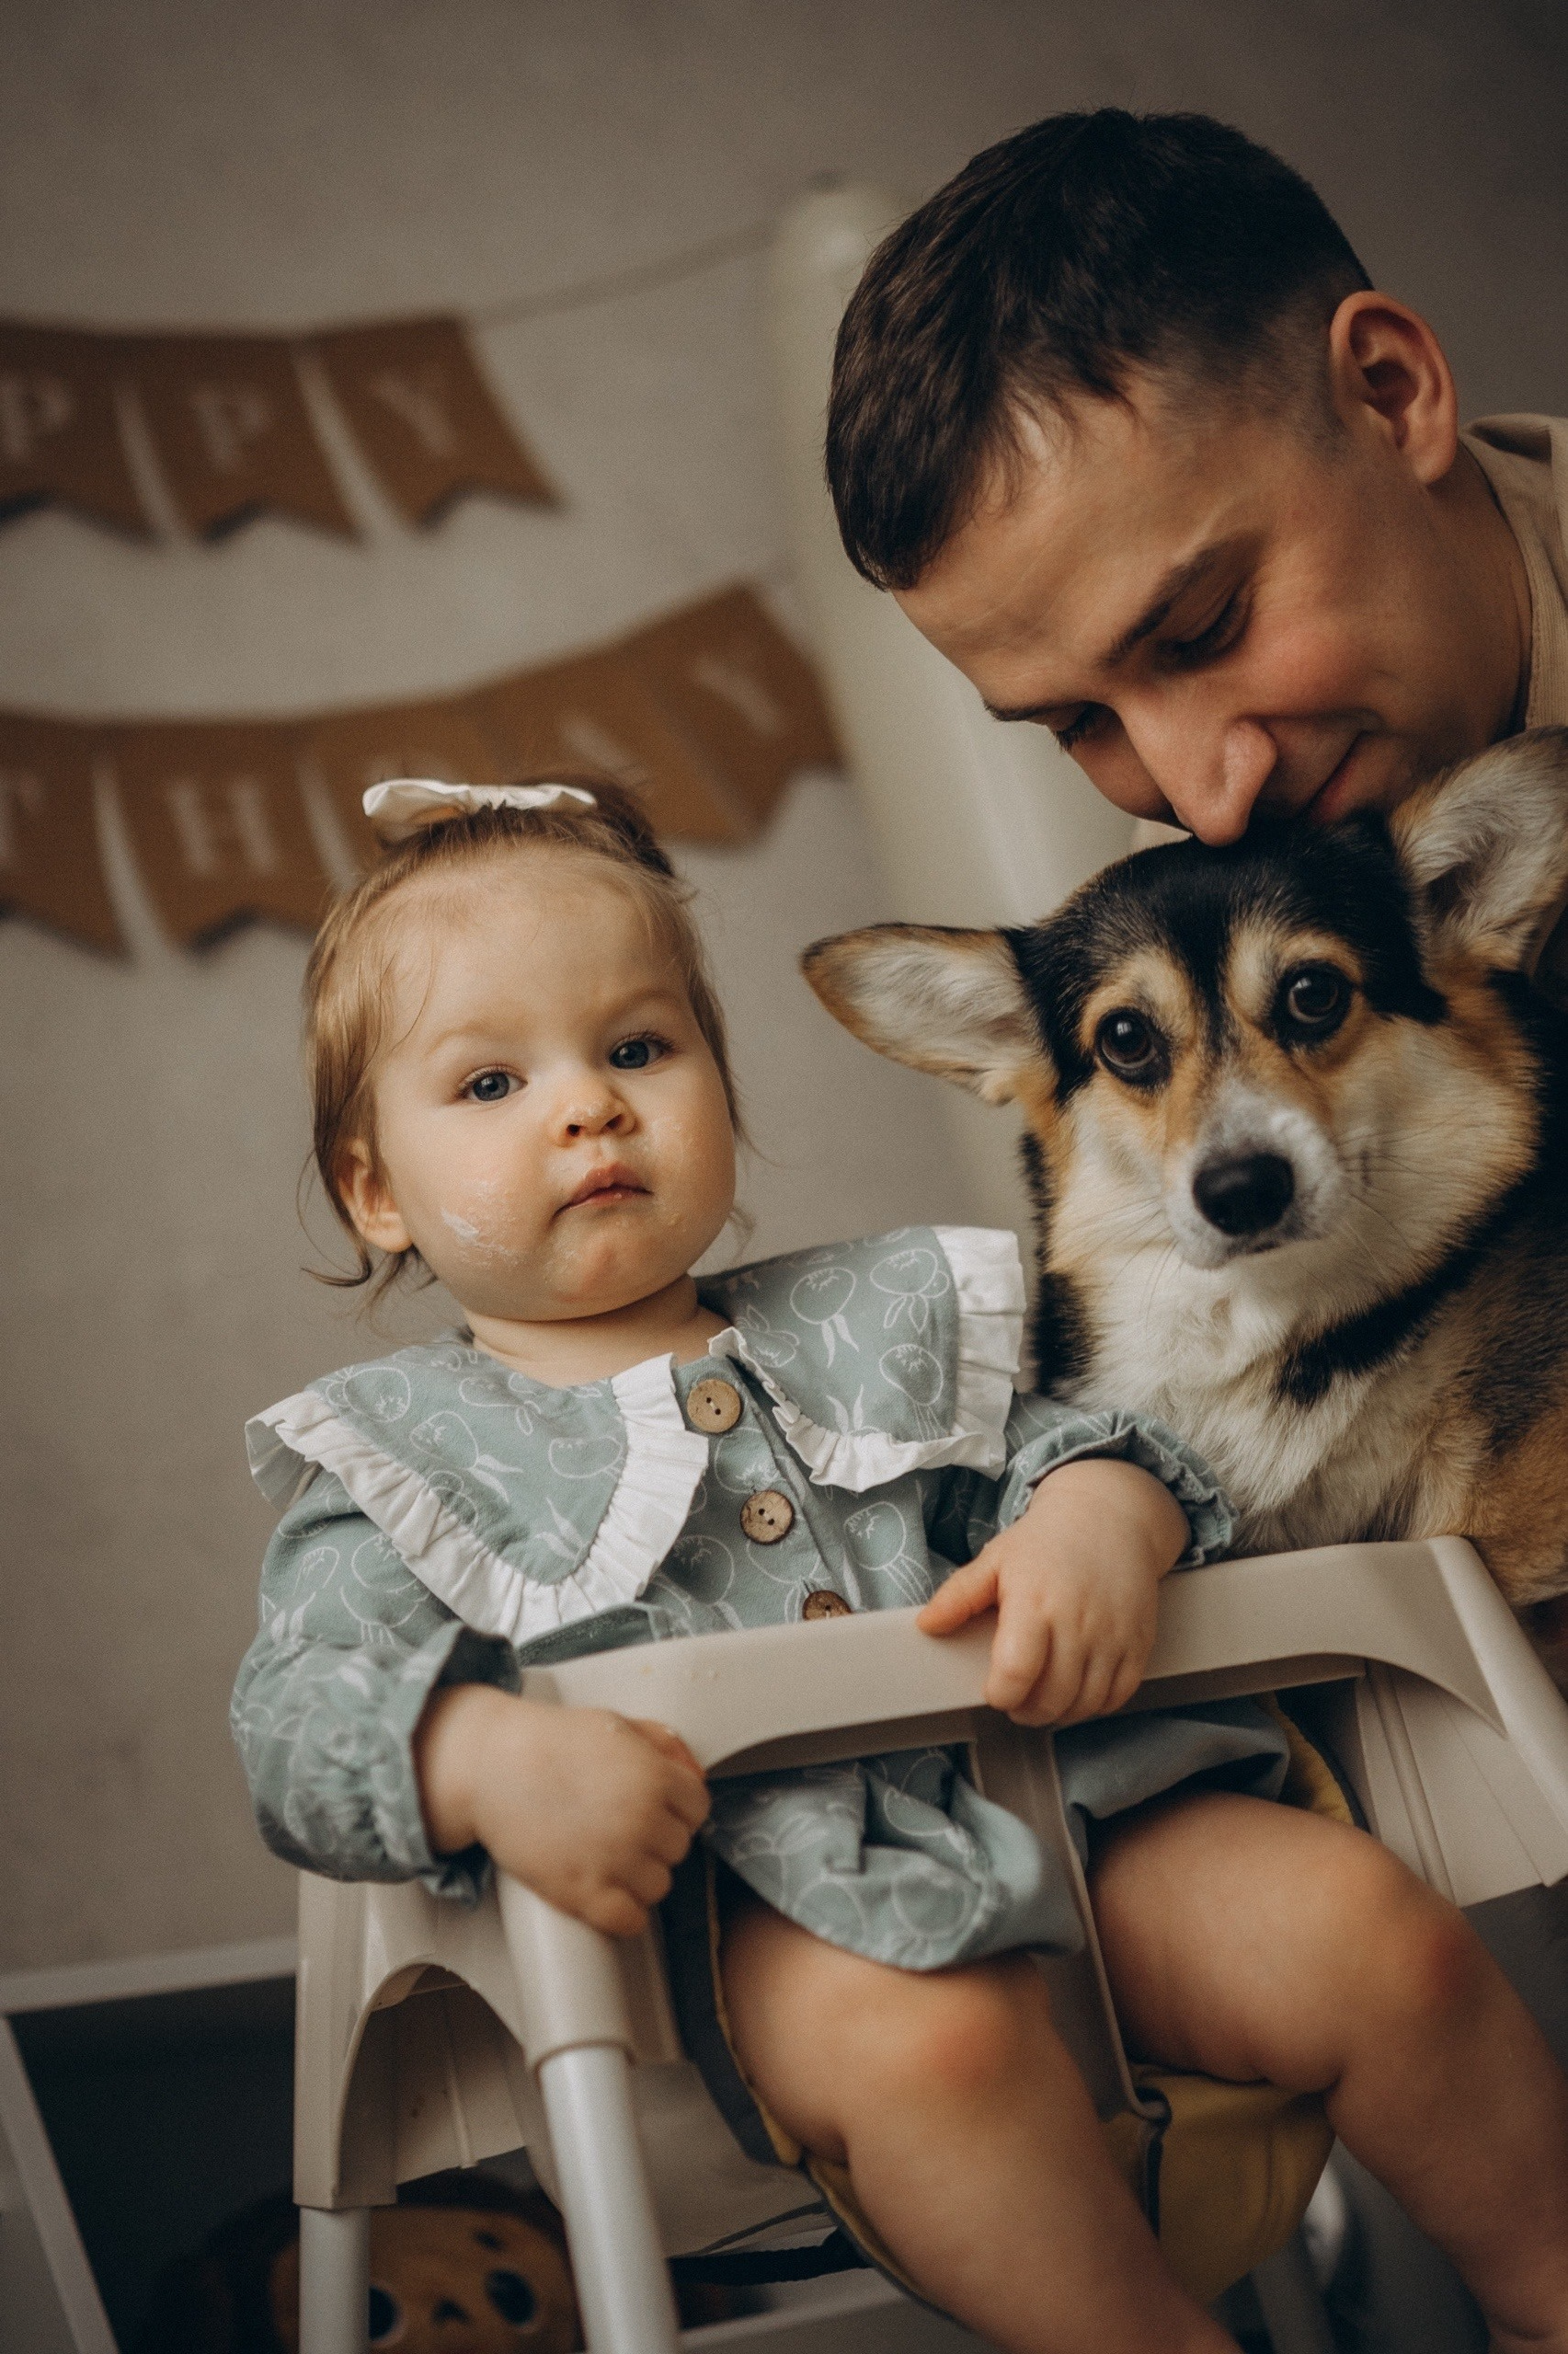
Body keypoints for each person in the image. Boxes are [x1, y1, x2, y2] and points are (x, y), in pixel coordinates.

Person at [233, 775, 1568, 2354]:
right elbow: (297, 1712)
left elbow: (1094, 1440)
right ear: (375, 1185)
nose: (586, 1104)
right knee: (940, 2050)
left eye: (640, 1049)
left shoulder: (896, 1313)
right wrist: (471, 1749)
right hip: (748, 1942)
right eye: (493, 1079)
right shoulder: (395, 1455)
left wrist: (1097, 1513)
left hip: (1084, 1831)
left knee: (1370, 1928)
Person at [826, 109, 1568, 982]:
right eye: (1080, 725)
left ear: (1389, 395)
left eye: (1205, 628)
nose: (1207, 809)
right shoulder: (1192, 900)